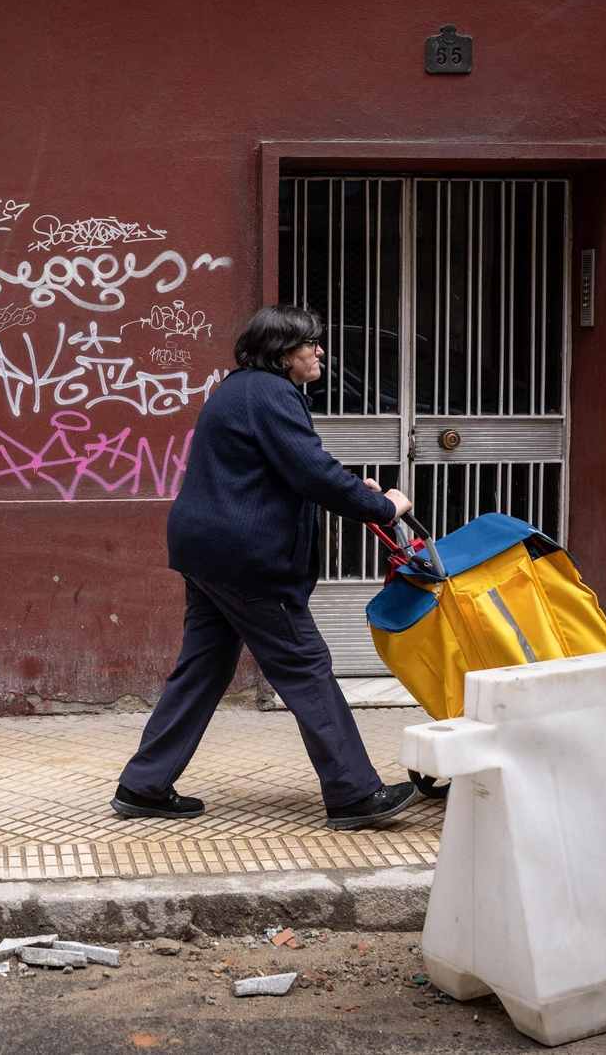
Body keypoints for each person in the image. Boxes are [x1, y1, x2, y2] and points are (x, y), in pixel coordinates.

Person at [112, 305, 420, 830]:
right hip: (247, 559)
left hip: (207, 551)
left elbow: (290, 467)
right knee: (306, 666)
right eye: (310, 345)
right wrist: (384, 506)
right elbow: (310, 472)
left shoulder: (238, 389)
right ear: (284, 354)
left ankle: (143, 786)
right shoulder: (274, 393)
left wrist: (350, 485)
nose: (319, 352)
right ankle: (353, 794)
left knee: (203, 668)